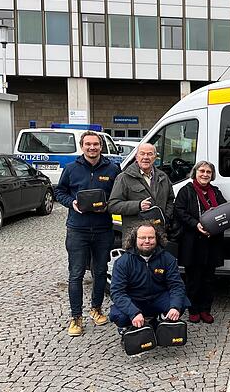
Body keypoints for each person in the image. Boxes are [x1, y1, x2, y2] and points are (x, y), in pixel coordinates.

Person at [54, 131, 121, 337]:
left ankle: (97, 309)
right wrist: (71, 203)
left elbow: (118, 194)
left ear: (101, 147)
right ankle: (76, 318)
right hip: (77, 229)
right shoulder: (72, 169)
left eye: (96, 145)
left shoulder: (112, 168)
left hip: (103, 229)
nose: (92, 148)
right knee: (76, 275)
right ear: (82, 146)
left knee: (100, 272)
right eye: (88, 144)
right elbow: (59, 192)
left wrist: (109, 205)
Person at [109, 223, 189, 333]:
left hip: (158, 298)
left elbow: (177, 286)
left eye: (151, 237)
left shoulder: (167, 258)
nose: (147, 241)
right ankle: (126, 327)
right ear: (134, 239)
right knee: (118, 316)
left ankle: (161, 318)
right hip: (134, 299)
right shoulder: (123, 262)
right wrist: (134, 312)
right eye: (142, 237)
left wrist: (174, 307)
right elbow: (117, 292)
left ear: (157, 238)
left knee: (182, 302)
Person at [174, 161, 227, 324]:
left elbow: (224, 209)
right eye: (202, 171)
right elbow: (179, 212)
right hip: (193, 241)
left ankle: (205, 309)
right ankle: (193, 309)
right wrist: (195, 224)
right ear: (195, 173)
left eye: (208, 172)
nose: (205, 174)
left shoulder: (215, 192)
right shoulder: (186, 191)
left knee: (209, 279)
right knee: (193, 279)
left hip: (212, 241)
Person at [108, 143, 175, 236]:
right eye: (142, 154)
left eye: (150, 154)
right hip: (134, 235)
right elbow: (113, 205)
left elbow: (170, 199)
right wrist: (138, 206)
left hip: (158, 234)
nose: (146, 157)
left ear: (155, 157)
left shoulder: (163, 177)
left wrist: (166, 217)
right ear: (136, 157)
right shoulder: (124, 177)